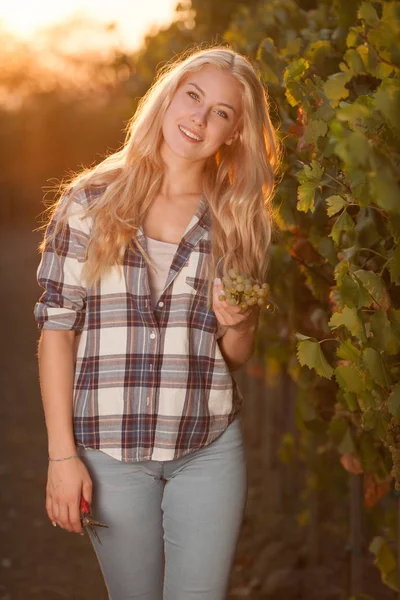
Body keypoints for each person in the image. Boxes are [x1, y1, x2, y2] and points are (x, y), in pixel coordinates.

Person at [34, 45, 280, 600]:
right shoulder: (90, 201)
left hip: (208, 448)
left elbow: (235, 354)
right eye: (193, 96)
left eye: (221, 112)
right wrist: (61, 455)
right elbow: (55, 330)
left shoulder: (236, 217)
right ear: (168, 97)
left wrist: (239, 323)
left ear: (234, 133)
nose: (199, 117)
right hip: (110, 453)